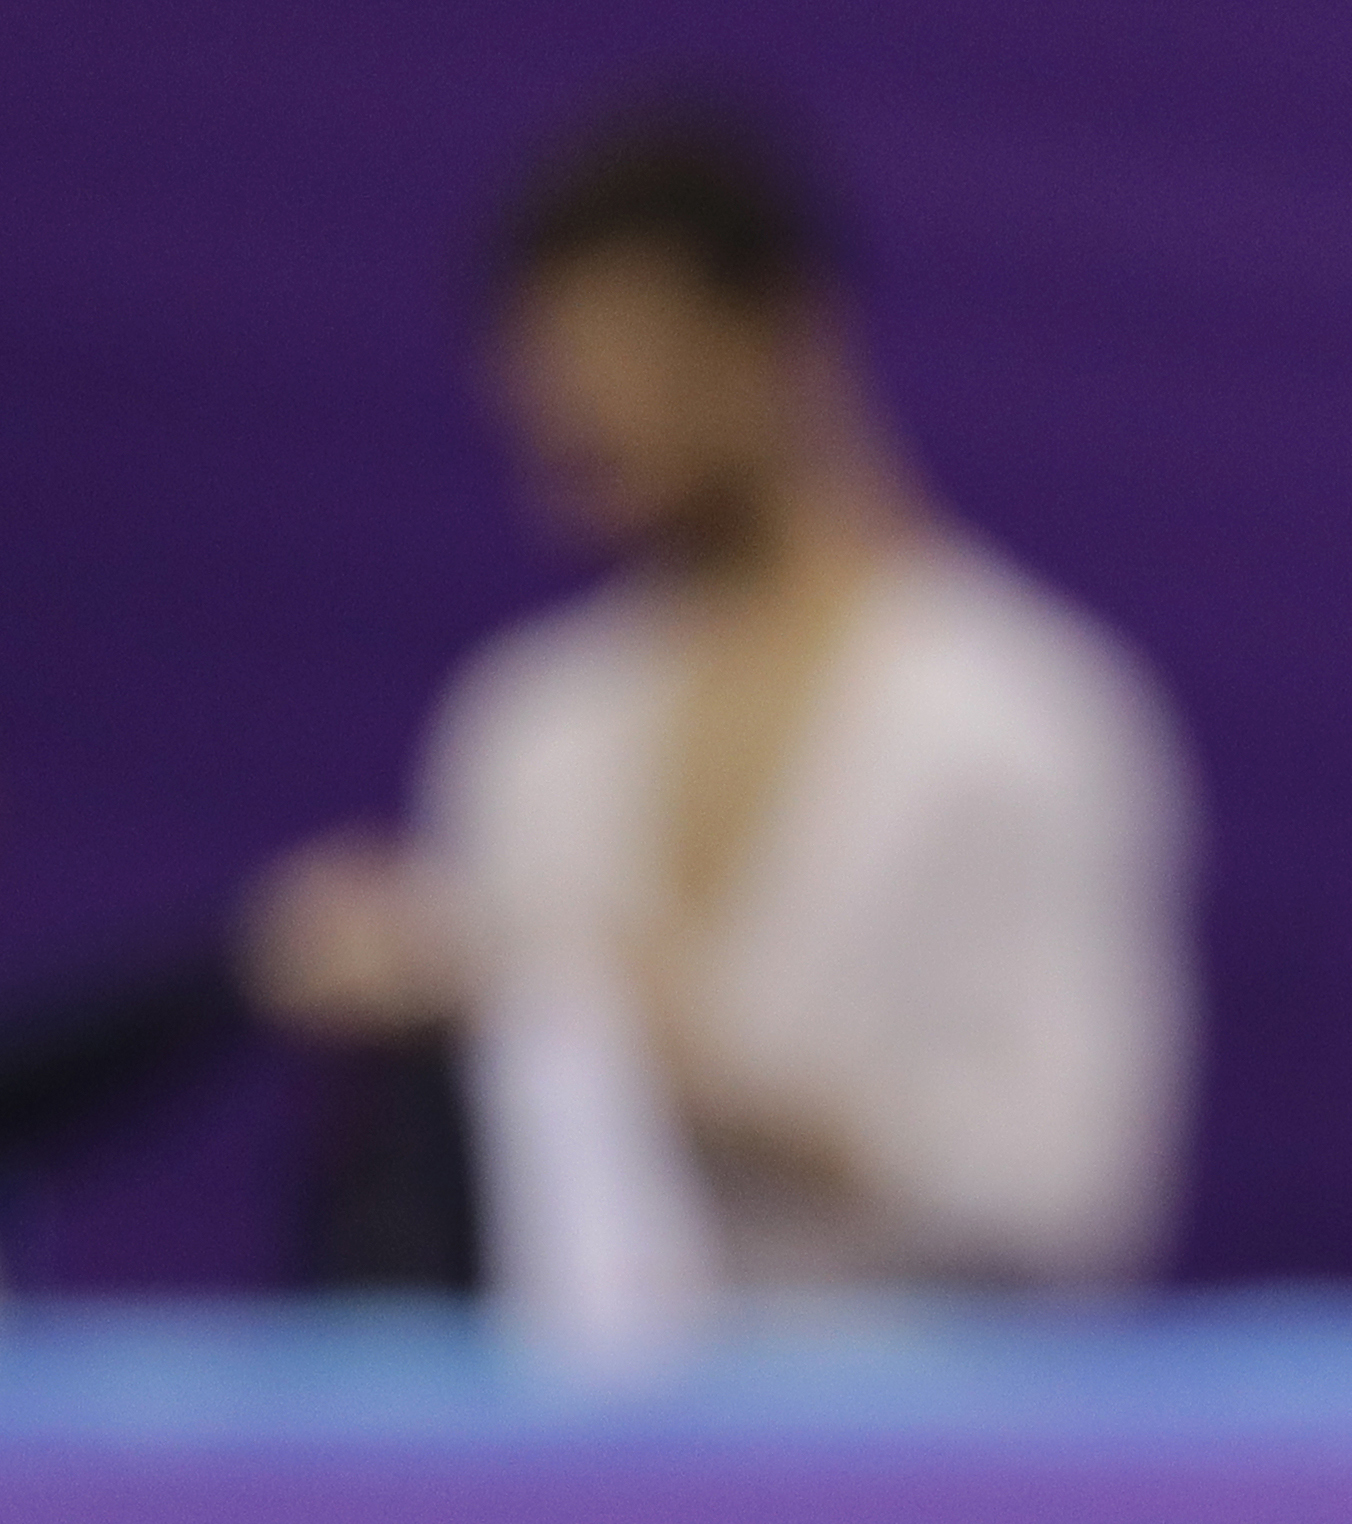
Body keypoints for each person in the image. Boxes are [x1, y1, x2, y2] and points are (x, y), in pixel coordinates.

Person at [251, 105, 1195, 1353]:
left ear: (781, 338)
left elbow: (1075, 1197)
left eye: (624, 358)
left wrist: (722, 1090)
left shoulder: (1019, 716)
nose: (574, 415)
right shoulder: (528, 725)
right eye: (545, 369)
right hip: (576, 1483)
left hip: (914, 1468)